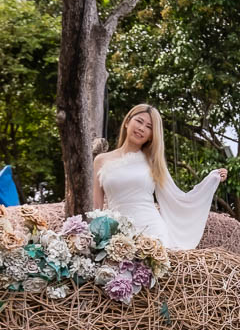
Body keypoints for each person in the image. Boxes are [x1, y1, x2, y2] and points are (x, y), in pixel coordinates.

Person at [93, 104, 227, 249]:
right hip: (117, 236)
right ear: (127, 122)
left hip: (151, 232)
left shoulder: (153, 161)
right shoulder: (101, 160)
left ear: (152, 135)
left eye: (149, 127)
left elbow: (179, 198)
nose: (142, 128)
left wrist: (212, 179)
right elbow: (97, 210)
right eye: (139, 121)